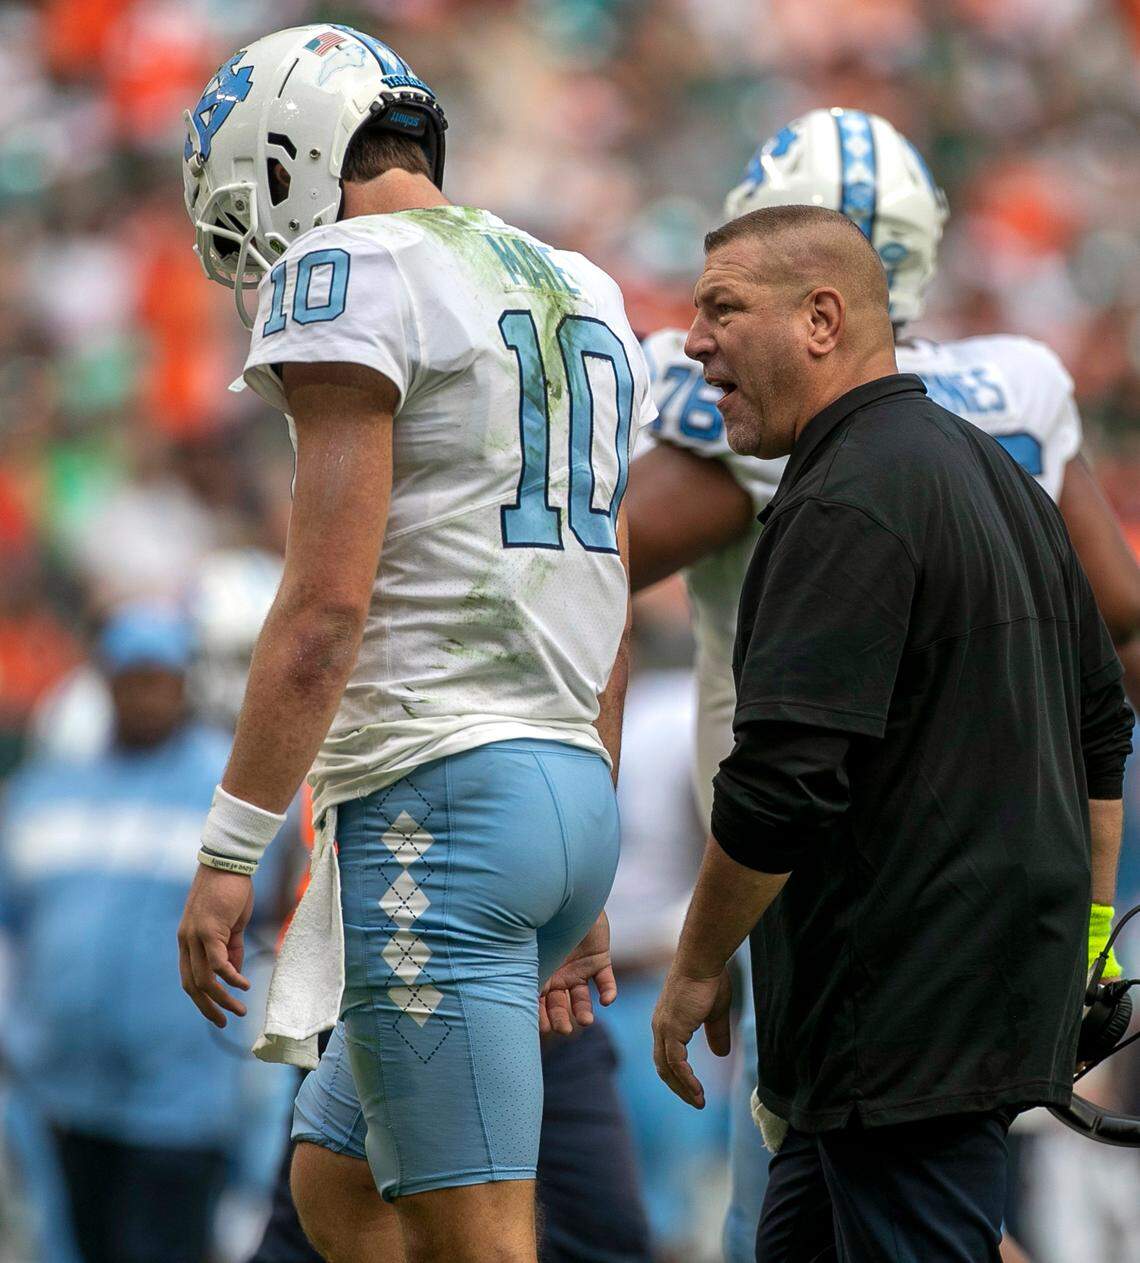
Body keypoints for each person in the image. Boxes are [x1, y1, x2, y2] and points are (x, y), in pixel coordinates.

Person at [623, 107, 1140, 1263]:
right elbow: (1103, 723)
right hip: (911, 1018)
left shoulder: (842, 496)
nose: (693, 342)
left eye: (722, 310)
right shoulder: (996, 469)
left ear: (823, 319)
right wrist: (1089, 933)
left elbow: (786, 781)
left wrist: (698, 961)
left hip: (896, 1020)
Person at [175, 24, 653, 1263]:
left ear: (291, 157)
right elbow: (602, 589)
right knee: (337, 1182)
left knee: (482, 1241)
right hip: (559, 792)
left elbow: (326, 610)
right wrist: (584, 851)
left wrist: (232, 847)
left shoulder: (349, 270)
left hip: (441, 804)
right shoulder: (579, 282)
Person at [0, 604, 262, 1263]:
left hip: (181, 1099)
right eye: (132, 676)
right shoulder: (46, 790)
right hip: (61, 1093)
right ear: (106, 680)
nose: (146, 692)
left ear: (183, 683)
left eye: (160, 677)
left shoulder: (228, 795)